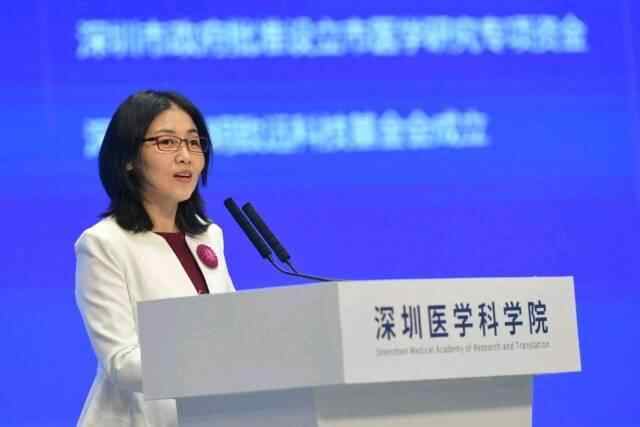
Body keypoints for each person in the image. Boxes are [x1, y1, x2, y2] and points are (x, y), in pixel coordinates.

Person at [74, 90, 235, 426]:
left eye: (194, 142)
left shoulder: (208, 235)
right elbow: (121, 361)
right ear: (128, 159)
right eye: (167, 142)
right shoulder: (103, 244)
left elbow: (230, 327)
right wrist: (213, 364)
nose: (185, 156)